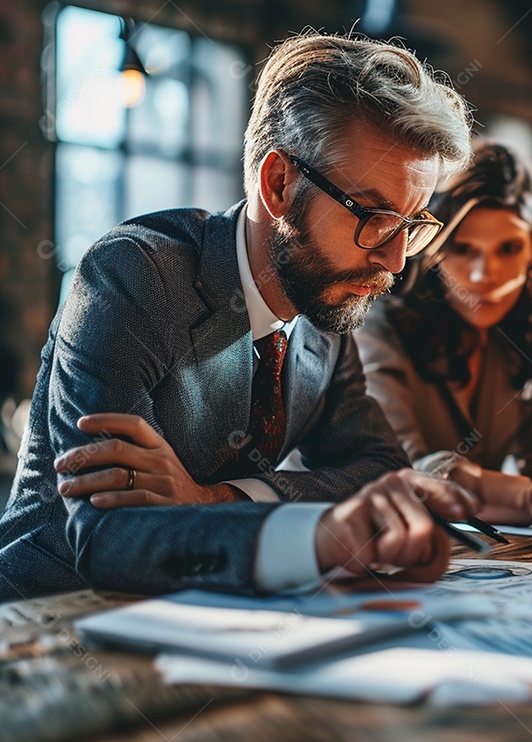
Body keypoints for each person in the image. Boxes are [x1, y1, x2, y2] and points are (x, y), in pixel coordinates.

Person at [0, 32, 477, 603]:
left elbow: (378, 470)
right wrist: (313, 535)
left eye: (411, 224)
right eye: (374, 216)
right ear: (279, 185)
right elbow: (108, 535)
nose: (395, 260)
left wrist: (220, 499)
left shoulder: (324, 300)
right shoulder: (135, 275)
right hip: (48, 615)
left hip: (206, 616)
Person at [356, 140, 532, 524]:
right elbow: (404, 469)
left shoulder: (518, 335)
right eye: (463, 249)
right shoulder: (377, 329)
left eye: (507, 249)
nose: (482, 276)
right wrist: (529, 495)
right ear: (432, 251)